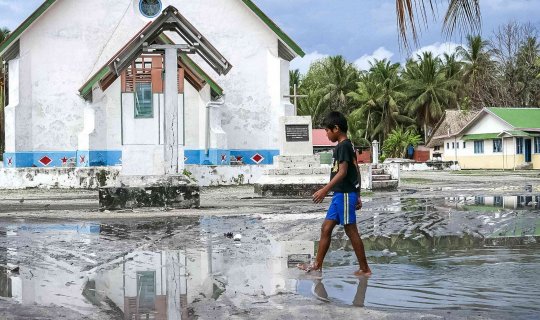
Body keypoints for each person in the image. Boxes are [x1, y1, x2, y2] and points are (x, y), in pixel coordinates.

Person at [298, 111, 371, 276]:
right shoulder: (346, 145)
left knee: (350, 230)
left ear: (336, 129)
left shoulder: (343, 146)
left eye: (327, 130)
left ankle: (365, 268)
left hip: (344, 194)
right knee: (326, 228)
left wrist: (324, 190)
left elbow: (343, 172)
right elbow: (356, 169)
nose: (326, 134)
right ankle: (317, 264)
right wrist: (358, 193)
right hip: (341, 194)